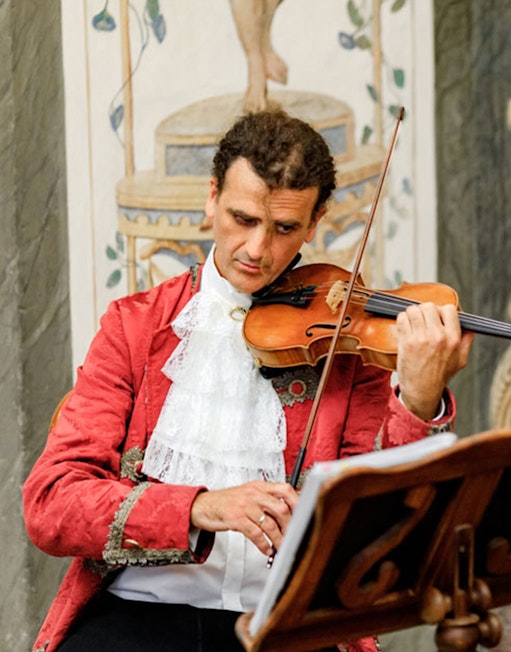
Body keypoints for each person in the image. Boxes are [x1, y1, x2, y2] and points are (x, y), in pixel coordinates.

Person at [23, 110, 474, 652]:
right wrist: (198, 507)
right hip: (140, 611)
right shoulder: (135, 325)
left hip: (285, 623)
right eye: (242, 218)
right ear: (212, 197)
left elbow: (382, 533)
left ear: (316, 222)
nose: (257, 250)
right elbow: (52, 501)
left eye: (285, 228)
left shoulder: (344, 344)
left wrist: (418, 400)